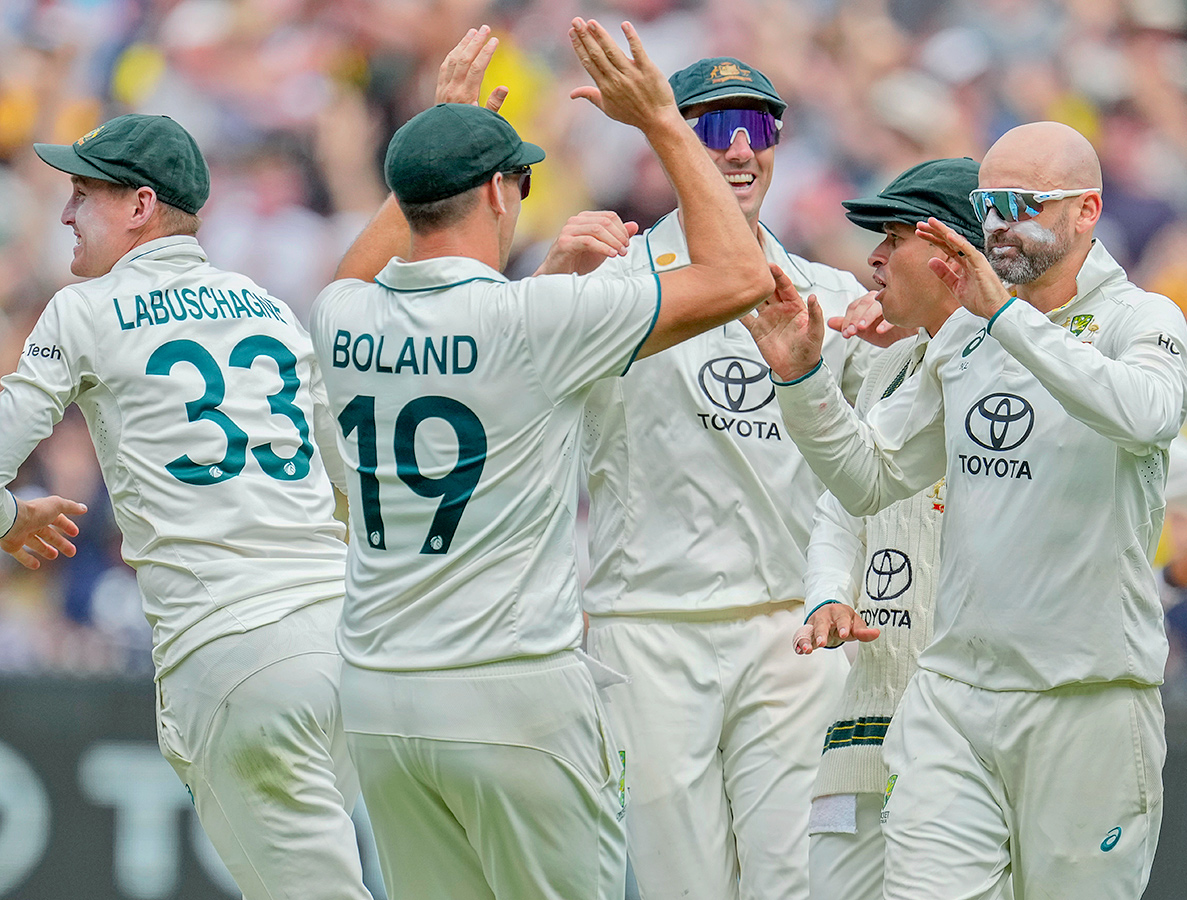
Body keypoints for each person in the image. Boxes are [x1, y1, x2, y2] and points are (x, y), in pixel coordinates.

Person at [310, 19, 774, 900]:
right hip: (512, 691)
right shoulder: (536, 322)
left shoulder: (342, 319)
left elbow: (360, 270)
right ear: (496, 194)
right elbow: (741, 277)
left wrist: (430, 144)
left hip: (378, 695)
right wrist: (666, 124)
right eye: (519, 180)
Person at [745, 120, 1186, 900]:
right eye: (987, 204)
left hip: (1086, 702)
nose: (999, 224)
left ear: (1086, 211)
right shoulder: (969, 339)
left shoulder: (1138, 319)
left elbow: (1145, 415)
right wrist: (803, 381)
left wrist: (1008, 321)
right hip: (951, 701)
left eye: (1022, 202)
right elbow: (869, 480)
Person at [0, 113, 372, 899]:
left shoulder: (85, 309)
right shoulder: (272, 309)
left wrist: (10, 521)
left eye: (82, 193)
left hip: (234, 654)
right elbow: (353, 480)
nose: (65, 213)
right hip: (349, 643)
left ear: (140, 206)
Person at [533, 56, 874, 900]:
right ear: (667, 141)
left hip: (789, 632)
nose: (738, 151)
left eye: (755, 128)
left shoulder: (827, 295)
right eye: (711, 130)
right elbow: (505, 394)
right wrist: (550, 282)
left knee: (796, 882)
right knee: (684, 886)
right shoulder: (611, 284)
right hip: (649, 630)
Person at [795, 158, 1006, 900]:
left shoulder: (1027, 368)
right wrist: (825, 593)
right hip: (868, 712)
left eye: (892, 237)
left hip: (982, 733)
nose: (873, 260)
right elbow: (843, 500)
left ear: (953, 257)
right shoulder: (889, 365)